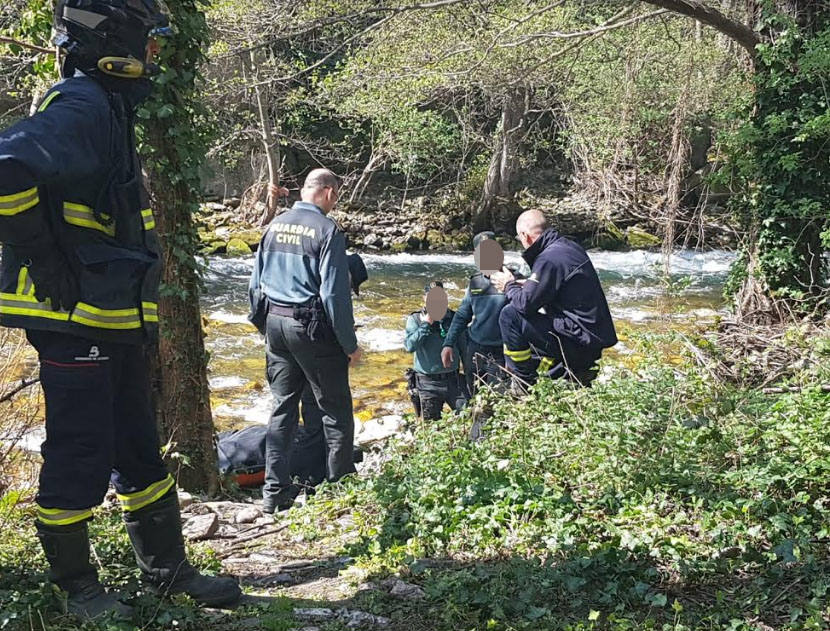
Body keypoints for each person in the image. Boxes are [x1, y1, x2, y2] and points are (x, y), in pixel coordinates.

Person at [0, 0, 240, 620]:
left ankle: (167, 571)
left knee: (136, 443)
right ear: (115, 45)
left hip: (111, 314)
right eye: (149, 46)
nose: (154, 59)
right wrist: (38, 256)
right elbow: (6, 166)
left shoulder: (106, 107)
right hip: (73, 315)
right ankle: (77, 588)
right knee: (82, 447)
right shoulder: (80, 105)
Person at [248, 168, 362, 514]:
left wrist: (262, 325)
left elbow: (255, 285)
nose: (336, 202)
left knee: (282, 408)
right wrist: (349, 344)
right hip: (311, 328)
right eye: (337, 195)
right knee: (335, 410)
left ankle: (274, 492)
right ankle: (337, 488)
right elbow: (334, 296)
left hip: (276, 324)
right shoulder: (327, 231)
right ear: (327, 191)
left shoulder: (275, 225)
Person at [490, 210, 617, 388]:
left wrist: (508, 285)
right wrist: (530, 284)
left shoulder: (549, 259)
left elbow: (524, 305)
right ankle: (555, 375)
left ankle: (521, 382)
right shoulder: (567, 247)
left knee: (510, 315)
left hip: (578, 343)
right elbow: (562, 287)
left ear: (525, 236)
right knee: (530, 343)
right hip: (588, 341)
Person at [295, 252, 368, 487]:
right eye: (351, 284)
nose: (350, 290)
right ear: (346, 274)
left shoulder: (311, 280)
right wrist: (350, 348)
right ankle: (340, 481)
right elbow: (336, 322)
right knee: (339, 417)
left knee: (312, 414)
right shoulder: (334, 289)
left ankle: (310, 478)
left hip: (302, 349)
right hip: (324, 355)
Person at [441, 232, 508, 395]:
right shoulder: (475, 282)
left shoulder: (511, 281)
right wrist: (448, 344)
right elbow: (463, 315)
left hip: (502, 352)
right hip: (475, 350)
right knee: (475, 396)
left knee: (499, 398)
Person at [404, 282, 467, 421]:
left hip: (454, 380)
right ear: (424, 298)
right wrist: (426, 324)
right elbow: (409, 346)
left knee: (469, 417)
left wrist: (470, 376)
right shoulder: (415, 319)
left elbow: (464, 350)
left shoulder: (455, 318)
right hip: (428, 383)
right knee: (432, 426)